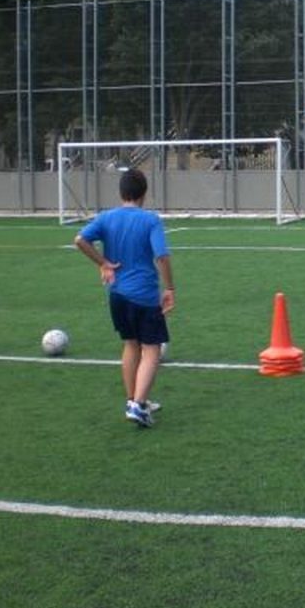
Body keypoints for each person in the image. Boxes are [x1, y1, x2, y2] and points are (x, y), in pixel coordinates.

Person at [74, 169, 175, 427]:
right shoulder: (150, 220)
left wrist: (104, 263)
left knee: (131, 345)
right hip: (143, 295)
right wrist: (169, 288)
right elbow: (161, 256)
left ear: (121, 192)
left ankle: (133, 399)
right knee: (151, 349)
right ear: (144, 193)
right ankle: (139, 406)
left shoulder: (107, 217)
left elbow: (80, 240)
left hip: (117, 295)